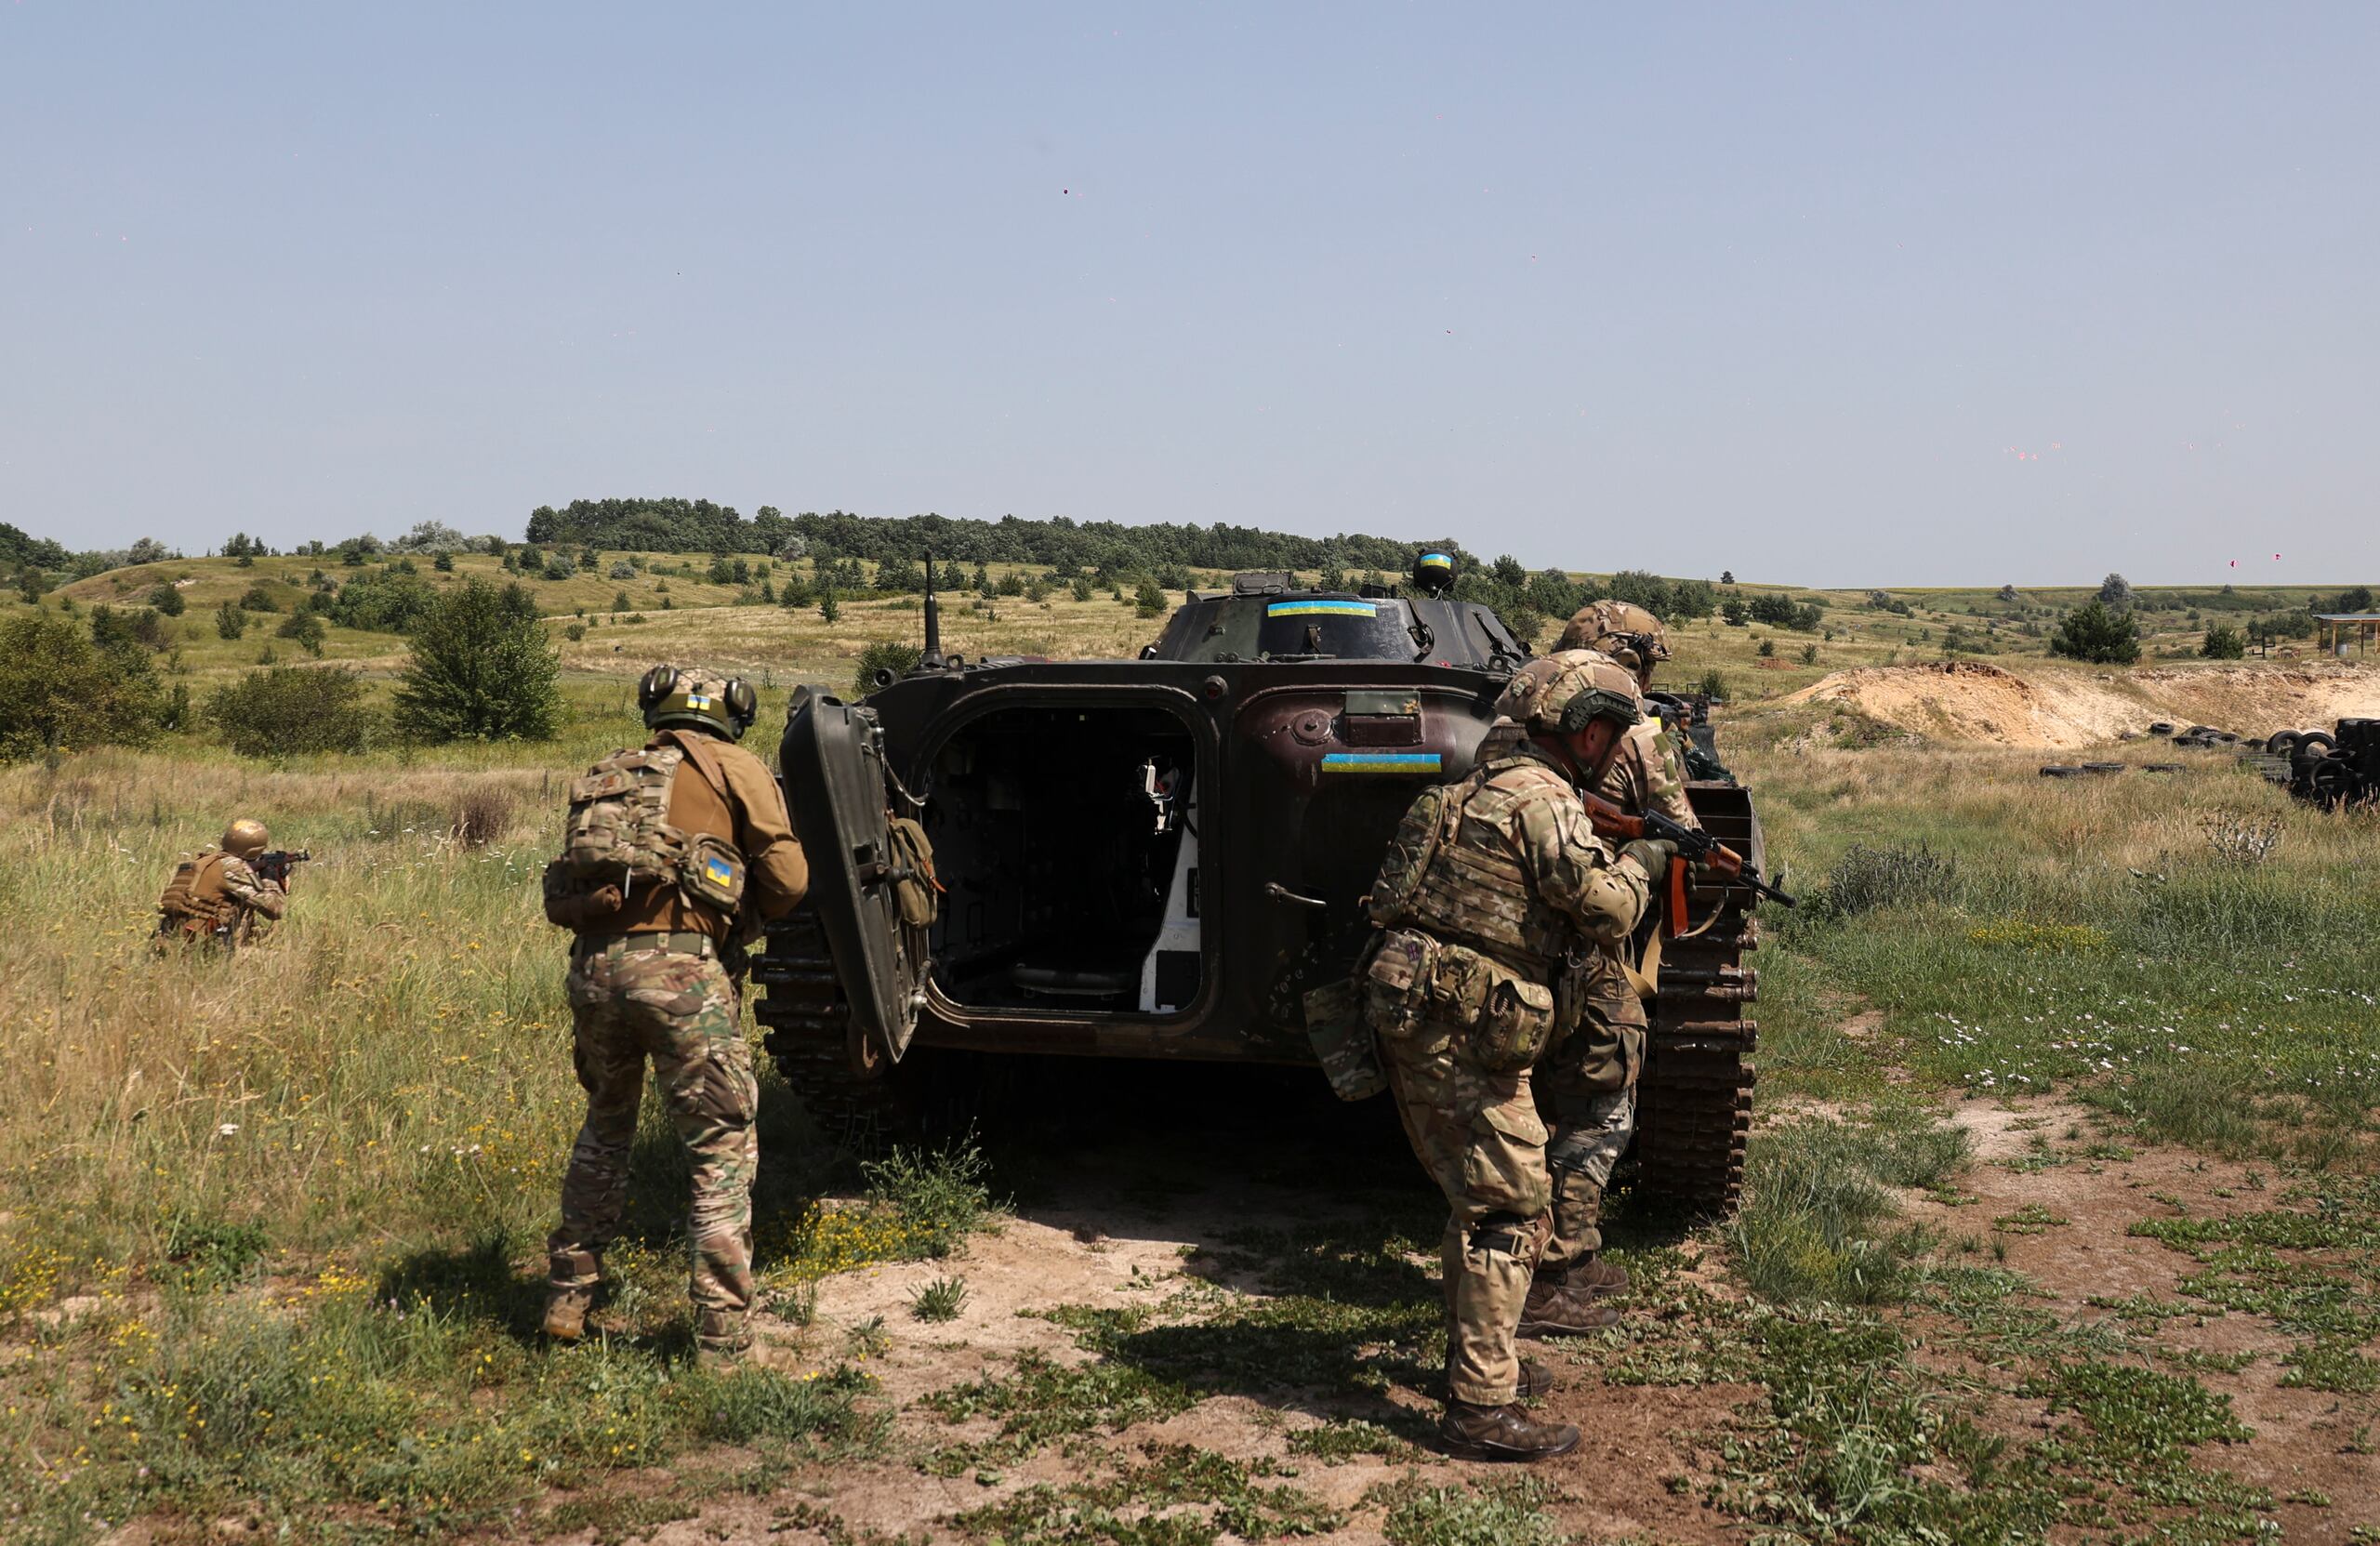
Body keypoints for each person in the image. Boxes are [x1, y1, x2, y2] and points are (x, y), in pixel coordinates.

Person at [1359, 656, 1671, 1461]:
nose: (1615, 749)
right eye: (1614, 734)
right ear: (1589, 731)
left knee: (1481, 1201)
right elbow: (1607, 912)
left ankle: (1479, 1365)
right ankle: (1479, 1409)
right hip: (1460, 1024)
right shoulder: (1542, 799)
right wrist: (1645, 862)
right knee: (1512, 1208)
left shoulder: (1477, 787)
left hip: (1421, 1011)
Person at [540, 666, 810, 1365]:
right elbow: (789, 879)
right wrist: (742, 914)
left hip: (595, 968)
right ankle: (723, 1336)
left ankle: (568, 1295)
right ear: (732, 715)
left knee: (605, 1128)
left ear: (653, 709)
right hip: (683, 973)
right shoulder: (735, 766)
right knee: (720, 1145)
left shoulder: (610, 772)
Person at [1555, 601, 1699, 826]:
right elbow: (1686, 830)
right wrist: (1670, 742)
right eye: (1648, 669)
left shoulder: (1512, 719)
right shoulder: (1640, 738)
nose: (1648, 685)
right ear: (1627, 664)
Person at [154, 818, 287, 949]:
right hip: (201, 946)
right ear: (255, 850)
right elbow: (274, 910)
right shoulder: (233, 867)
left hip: (170, 938)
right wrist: (270, 877)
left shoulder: (204, 861)